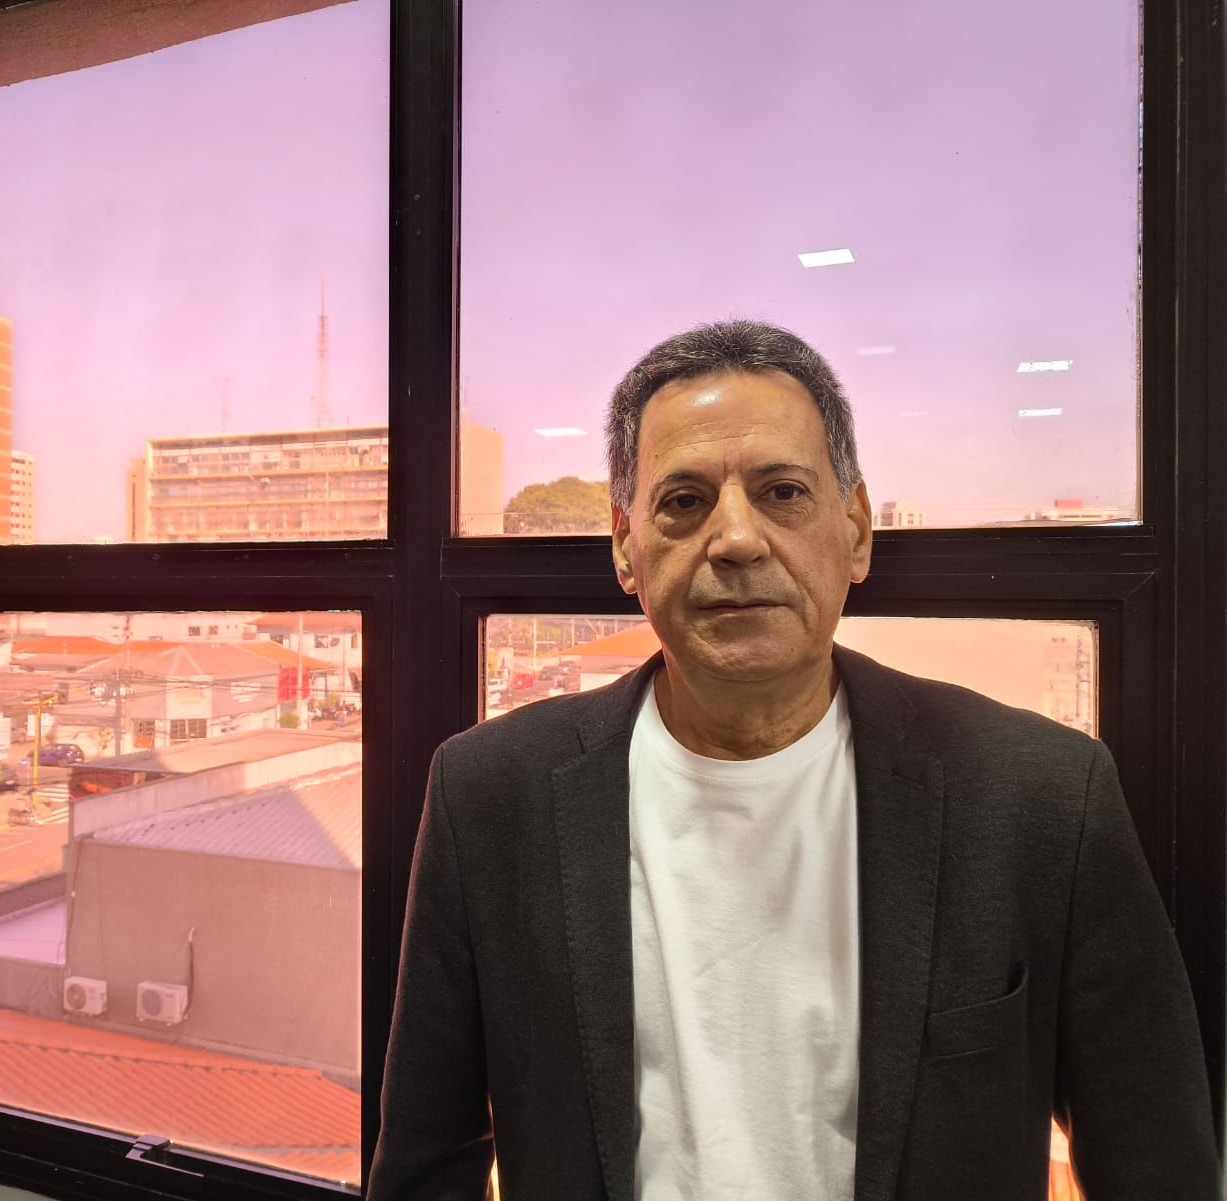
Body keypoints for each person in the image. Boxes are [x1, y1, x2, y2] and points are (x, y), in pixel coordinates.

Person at [371, 321, 1219, 1200]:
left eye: (782, 492)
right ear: (625, 545)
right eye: (684, 501)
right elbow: (425, 1168)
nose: (736, 538)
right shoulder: (487, 798)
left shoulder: (1041, 798)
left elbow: (1158, 1167)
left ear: (856, 530)